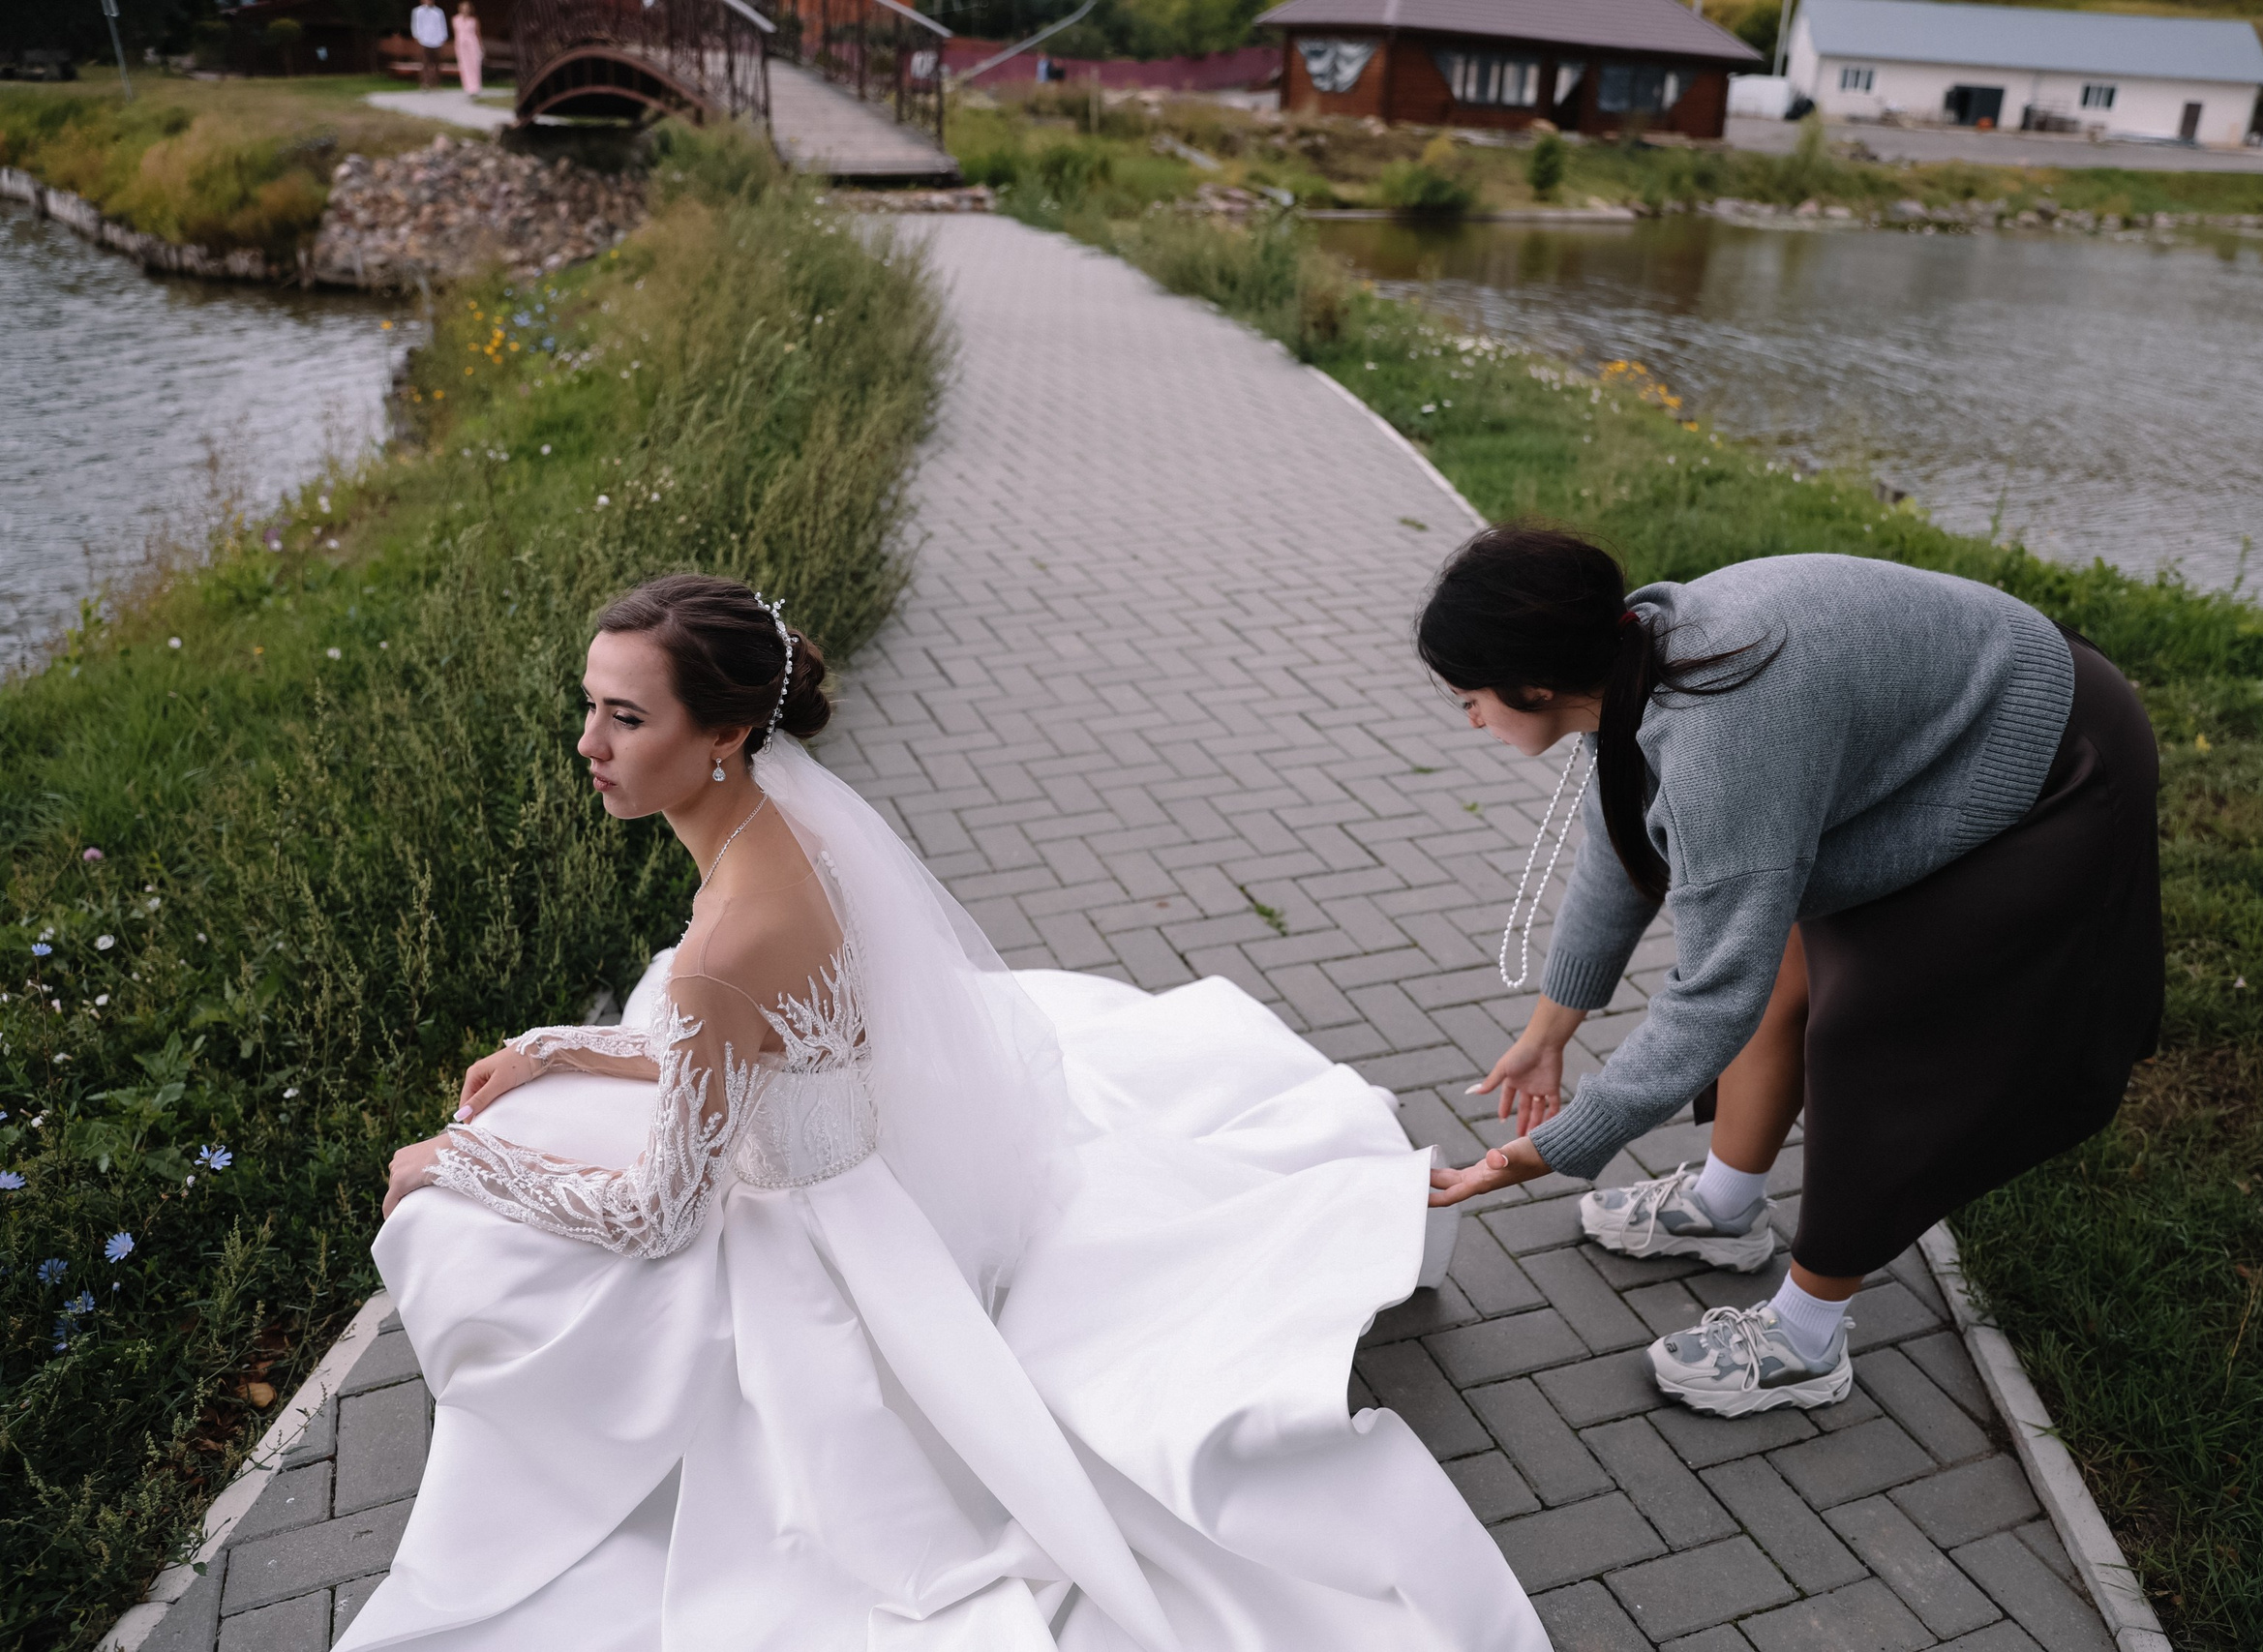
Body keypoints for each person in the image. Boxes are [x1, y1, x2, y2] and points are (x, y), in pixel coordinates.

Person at [341, 574, 1548, 1651]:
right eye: (592, 705)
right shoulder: (785, 827)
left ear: (720, 736)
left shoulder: (722, 940)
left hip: (805, 1244)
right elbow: (758, 1042)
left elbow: (662, 1210)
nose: (588, 744)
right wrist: (557, 1048)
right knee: (536, 1110)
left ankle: (539, 1468)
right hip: (861, 1175)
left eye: (625, 717)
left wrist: (452, 1161)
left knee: (467, 1225)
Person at [1422, 531, 2160, 1417]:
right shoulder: (1626, 661)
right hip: (1947, 724)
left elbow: (1710, 996)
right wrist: (1548, 1036)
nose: (1472, 720)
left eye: (1471, 700)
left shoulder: (1719, 729)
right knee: (1781, 960)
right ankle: (1728, 1210)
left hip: (2043, 759)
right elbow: (1621, 856)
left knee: (1867, 1032)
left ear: (1534, 684)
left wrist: (1539, 1152)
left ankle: (1807, 1337)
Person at [409, 0, 447, 89]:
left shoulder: (438, 12)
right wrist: (417, 36)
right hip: (424, 40)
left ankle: (436, 83)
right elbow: (415, 24)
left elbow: (442, 25)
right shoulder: (418, 11)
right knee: (425, 63)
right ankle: (425, 83)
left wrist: (443, 37)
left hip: (437, 41)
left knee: (437, 64)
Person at [451, 0, 482, 97]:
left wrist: (481, 47)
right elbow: (456, 33)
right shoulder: (455, 19)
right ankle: (468, 87)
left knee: (474, 66)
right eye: (463, 7)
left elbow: (478, 34)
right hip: (461, 45)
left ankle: (475, 87)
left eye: (467, 8)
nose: (465, 10)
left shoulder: (473, 20)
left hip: (472, 44)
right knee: (464, 66)